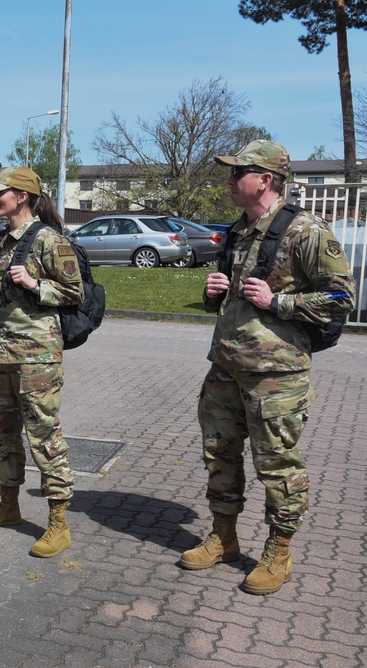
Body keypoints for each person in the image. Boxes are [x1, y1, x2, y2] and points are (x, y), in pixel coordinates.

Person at [179, 140, 355, 595]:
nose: (230, 181)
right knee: (219, 455)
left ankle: (279, 549)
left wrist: (280, 301)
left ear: (266, 180)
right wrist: (212, 292)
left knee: (277, 465)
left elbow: (341, 298)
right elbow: (234, 297)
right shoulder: (239, 230)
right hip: (225, 366)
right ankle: (224, 537)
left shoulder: (306, 229)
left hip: (276, 375)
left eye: (238, 173)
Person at [0, 166, 83, 558]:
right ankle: (9, 507)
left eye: (0, 193)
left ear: (22, 197)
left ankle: (58, 523)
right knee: (2, 431)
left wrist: (36, 284)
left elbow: (73, 292)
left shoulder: (49, 240)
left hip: (36, 356)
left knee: (44, 437)